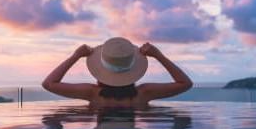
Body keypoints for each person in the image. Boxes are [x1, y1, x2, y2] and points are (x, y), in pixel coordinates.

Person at [42, 37, 193, 107]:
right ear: (133, 69)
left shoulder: (92, 93)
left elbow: (49, 84)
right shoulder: (144, 93)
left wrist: (76, 56)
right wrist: (159, 55)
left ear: (100, 70)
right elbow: (185, 84)